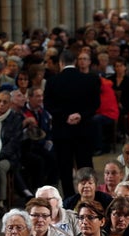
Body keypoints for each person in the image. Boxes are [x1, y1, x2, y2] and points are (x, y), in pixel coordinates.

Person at [44, 49, 100, 197]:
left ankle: (69, 198)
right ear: (75, 62)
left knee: (65, 166)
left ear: (61, 63)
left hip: (62, 131)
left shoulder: (52, 81)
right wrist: (80, 115)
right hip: (83, 130)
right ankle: (89, 196)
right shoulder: (90, 79)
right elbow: (95, 104)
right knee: (85, 164)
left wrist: (64, 117)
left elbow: (48, 105)